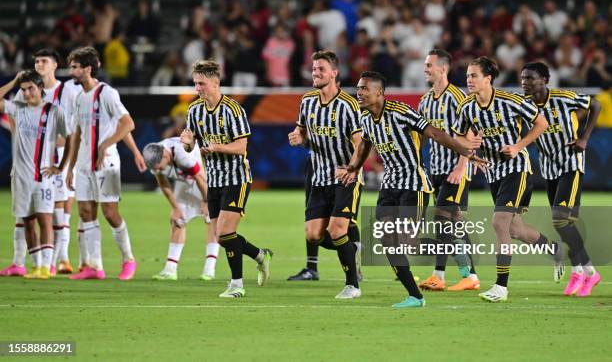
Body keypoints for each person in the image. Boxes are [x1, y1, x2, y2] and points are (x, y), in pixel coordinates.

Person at [336, 71, 486, 308]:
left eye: (364, 89)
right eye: (358, 88)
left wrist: (464, 151)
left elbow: (434, 133)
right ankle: (415, 296)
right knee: (387, 240)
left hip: (414, 186)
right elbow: (365, 143)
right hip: (389, 187)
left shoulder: (400, 112)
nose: (359, 93)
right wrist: (354, 167)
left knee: (406, 242)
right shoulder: (364, 117)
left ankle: (454, 247)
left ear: (379, 92)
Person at [452, 56, 564, 302]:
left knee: (499, 222)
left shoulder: (510, 101)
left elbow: (541, 123)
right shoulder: (466, 107)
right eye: (468, 75)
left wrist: (517, 146)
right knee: (514, 229)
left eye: (474, 75)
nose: (469, 80)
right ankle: (555, 250)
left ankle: (501, 287)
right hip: (494, 172)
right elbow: (458, 137)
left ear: (488, 78)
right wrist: (470, 152)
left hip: (517, 167)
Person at [181, 60, 272, 298]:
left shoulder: (233, 109)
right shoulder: (194, 110)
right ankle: (260, 255)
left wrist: (217, 147)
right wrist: (188, 143)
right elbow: (192, 146)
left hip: (237, 178)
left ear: (215, 83)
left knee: (223, 233)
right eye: (195, 84)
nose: (197, 88)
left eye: (201, 84)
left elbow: (242, 147)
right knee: (222, 237)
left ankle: (237, 285)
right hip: (214, 181)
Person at [521, 61, 601, 297]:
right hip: (548, 168)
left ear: (545, 80)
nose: (525, 82)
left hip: (571, 165)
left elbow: (595, 104)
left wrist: (585, 138)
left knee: (560, 220)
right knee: (566, 223)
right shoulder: (524, 105)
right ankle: (581, 271)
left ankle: (587, 271)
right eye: (523, 78)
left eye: (530, 78)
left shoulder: (563, 98)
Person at [287, 50, 362, 299]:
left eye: (321, 69)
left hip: (346, 178)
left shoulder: (349, 105)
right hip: (319, 177)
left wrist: (351, 170)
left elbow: (361, 144)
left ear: (334, 73)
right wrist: (299, 137)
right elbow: (302, 133)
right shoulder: (307, 101)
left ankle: (352, 284)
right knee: (314, 235)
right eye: (314, 69)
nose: (315, 73)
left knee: (337, 230)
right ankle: (354, 249)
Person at [0, 49, 77, 277]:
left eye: (30, 89)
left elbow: (70, 138)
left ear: (40, 89)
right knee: (27, 221)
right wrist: (14, 80)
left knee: (46, 218)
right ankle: (35, 265)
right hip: (21, 176)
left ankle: (47, 265)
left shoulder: (54, 111)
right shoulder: (18, 108)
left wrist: (61, 167)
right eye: (23, 90)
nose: (26, 94)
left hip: (44, 176)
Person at [65, 46, 140, 280]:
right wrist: (70, 166)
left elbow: (128, 123)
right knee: (86, 211)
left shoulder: (107, 93)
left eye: (75, 67)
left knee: (109, 212)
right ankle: (94, 267)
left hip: (107, 163)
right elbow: (77, 134)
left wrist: (105, 145)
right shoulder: (79, 97)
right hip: (84, 164)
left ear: (87, 69)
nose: (71, 71)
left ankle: (128, 260)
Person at [417, 49, 480, 291]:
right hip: (436, 170)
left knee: (441, 220)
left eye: (429, 65)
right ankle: (470, 276)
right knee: (455, 223)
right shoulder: (424, 101)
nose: (425, 68)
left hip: (456, 170)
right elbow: (422, 136)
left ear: (443, 68)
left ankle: (439, 275)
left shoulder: (457, 97)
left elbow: (472, 133)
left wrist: (461, 166)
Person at [142, 138, 219, 280]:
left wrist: (206, 201)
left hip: (206, 178)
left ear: (165, 156)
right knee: (178, 220)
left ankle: (209, 269)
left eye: (159, 167)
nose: (158, 170)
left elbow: (200, 178)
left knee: (211, 219)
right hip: (185, 182)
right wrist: (175, 208)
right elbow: (163, 183)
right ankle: (170, 270)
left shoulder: (183, 154)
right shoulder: (154, 155)